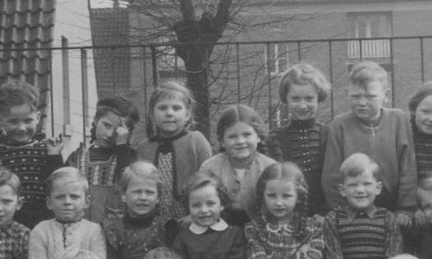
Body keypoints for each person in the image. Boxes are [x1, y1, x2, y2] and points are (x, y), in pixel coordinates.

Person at [321, 61, 418, 229]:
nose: (362, 102)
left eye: (370, 96)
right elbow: (331, 176)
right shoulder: (340, 125)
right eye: (355, 96)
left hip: (394, 207)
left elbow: (408, 167)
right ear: (346, 93)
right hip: (352, 208)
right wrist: (340, 211)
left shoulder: (398, 120)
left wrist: (405, 208)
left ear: (386, 95)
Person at [0, 80, 64, 228]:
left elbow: (56, 183)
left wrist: (54, 156)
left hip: (41, 222)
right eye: (13, 121)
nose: (21, 128)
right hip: (5, 223)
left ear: (38, 118)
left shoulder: (45, 150)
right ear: (1, 120)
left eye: (28, 121)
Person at [27, 167, 105, 259]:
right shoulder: (40, 231)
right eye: (60, 197)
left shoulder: (94, 231)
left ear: (87, 201)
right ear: (49, 202)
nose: (67, 202)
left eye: (74, 196)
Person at [101, 161, 174, 259]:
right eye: (136, 192)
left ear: (159, 197)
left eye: (149, 192)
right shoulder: (113, 229)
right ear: (123, 195)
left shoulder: (167, 227)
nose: (143, 197)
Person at [137, 81, 213, 220]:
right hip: (153, 220)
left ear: (187, 115)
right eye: (162, 108)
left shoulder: (196, 141)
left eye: (176, 108)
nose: (169, 113)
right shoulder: (144, 147)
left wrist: (195, 214)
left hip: (191, 217)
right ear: (152, 114)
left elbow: (209, 181)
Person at [266, 63, 332, 216]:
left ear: (318, 98)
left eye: (309, 99)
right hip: (288, 213)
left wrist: (324, 213)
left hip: (325, 214)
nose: (303, 105)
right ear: (286, 99)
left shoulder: (329, 134)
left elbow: (333, 179)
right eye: (295, 99)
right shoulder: (275, 138)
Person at [199, 104, 275, 227]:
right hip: (219, 224)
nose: (240, 141)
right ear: (222, 141)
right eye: (232, 136)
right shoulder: (210, 167)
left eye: (247, 135)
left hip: (259, 225)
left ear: (259, 137)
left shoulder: (269, 168)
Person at [66, 95, 140, 223]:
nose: (110, 134)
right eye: (106, 125)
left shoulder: (129, 157)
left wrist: (122, 146)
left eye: (118, 130)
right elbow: (62, 187)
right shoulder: (77, 157)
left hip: (116, 229)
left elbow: (128, 184)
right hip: (81, 228)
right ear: (95, 120)